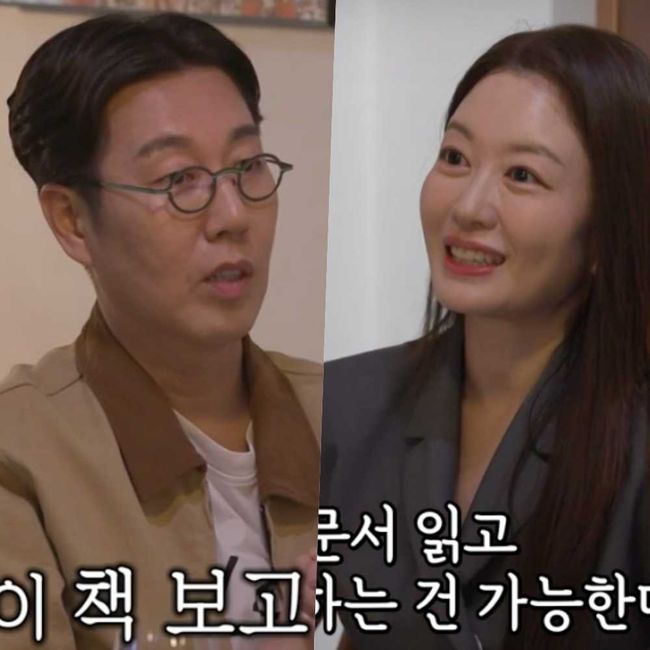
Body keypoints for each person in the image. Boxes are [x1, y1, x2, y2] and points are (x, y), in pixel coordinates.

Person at [321, 24, 650, 650]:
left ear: (607, 230)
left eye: (522, 175)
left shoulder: (634, 445)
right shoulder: (341, 406)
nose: (468, 206)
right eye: (455, 158)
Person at [0, 12, 321, 650]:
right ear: (72, 220)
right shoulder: (22, 456)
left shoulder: (357, 418)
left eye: (248, 166)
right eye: (178, 180)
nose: (233, 215)